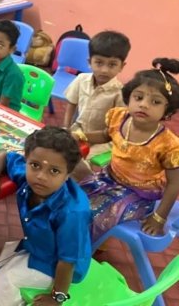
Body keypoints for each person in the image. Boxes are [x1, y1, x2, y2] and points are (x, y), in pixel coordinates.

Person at [0, 126, 91, 306]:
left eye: (54, 171)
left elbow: (67, 262)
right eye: (35, 165)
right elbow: (5, 156)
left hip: (60, 267)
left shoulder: (72, 212)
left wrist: (57, 298)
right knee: (2, 265)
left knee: (6, 279)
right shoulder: (26, 176)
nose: (41, 176)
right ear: (27, 161)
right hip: (38, 246)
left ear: (67, 174)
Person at [76, 58, 179, 242]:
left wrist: (159, 218)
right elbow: (106, 135)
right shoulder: (119, 117)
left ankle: (79, 250)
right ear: (129, 97)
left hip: (139, 194)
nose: (144, 104)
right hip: (108, 177)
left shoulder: (169, 144)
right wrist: (81, 135)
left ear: (167, 110)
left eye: (155, 102)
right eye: (138, 98)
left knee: (93, 215)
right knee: (72, 198)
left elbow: (174, 183)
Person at [64, 31, 131, 159]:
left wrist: (82, 137)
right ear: (90, 62)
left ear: (121, 66)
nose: (104, 70)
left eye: (112, 64)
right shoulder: (81, 79)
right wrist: (66, 128)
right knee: (56, 149)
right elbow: (71, 103)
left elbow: (115, 130)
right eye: (99, 63)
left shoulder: (120, 93)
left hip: (103, 140)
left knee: (78, 158)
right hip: (78, 130)